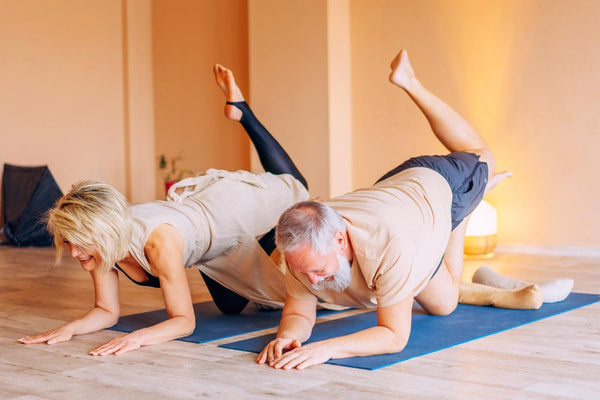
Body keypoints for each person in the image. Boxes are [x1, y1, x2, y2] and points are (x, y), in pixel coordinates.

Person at [257, 49, 529, 370]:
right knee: (445, 306)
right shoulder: (303, 249)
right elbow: (299, 312)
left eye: (316, 270)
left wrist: (325, 349)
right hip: (398, 200)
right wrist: (288, 337)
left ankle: (411, 83)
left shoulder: (388, 244)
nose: (312, 281)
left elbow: (393, 335)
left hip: (435, 181)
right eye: (304, 272)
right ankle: (462, 214)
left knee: (482, 153)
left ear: (340, 240)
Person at [18, 64, 310, 356]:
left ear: (104, 231)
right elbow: (106, 311)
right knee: (231, 307)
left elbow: (184, 322)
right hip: (210, 248)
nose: (73, 252)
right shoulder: (99, 249)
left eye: (79, 243)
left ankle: (242, 111)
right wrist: (70, 329)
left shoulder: (159, 243)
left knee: (297, 188)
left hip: (225, 212)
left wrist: (137, 338)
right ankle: (271, 231)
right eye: (68, 242)